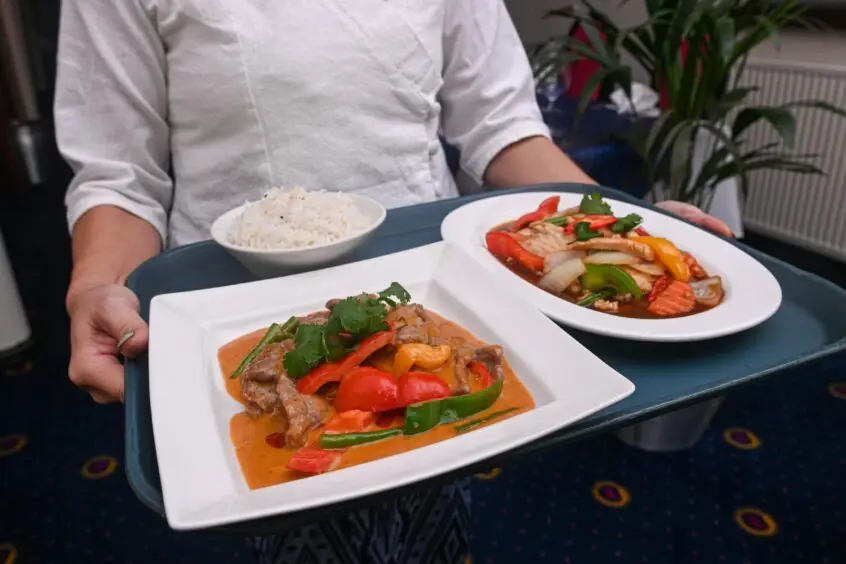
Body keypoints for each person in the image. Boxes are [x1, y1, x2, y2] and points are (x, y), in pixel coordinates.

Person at [55, 1, 733, 563]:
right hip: (229, 305)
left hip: (437, 297)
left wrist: (617, 228)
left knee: (437, 519)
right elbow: (120, 174)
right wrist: (96, 287)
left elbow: (502, 127)